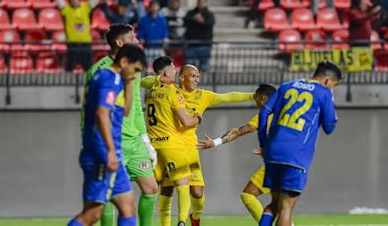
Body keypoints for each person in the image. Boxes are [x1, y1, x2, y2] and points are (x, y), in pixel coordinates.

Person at [141, 64, 255, 226]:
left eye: (198, 77)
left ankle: (196, 216)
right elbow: (144, 81)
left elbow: (228, 97)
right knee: (167, 190)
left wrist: (253, 96)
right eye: (193, 76)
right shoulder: (171, 89)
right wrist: (160, 78)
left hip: (191, 149)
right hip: (173, 147)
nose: (197, 80)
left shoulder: (203, 96)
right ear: (182, 77)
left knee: (197, 192)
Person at [82, 24, 159, 226]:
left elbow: (132, 109)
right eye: (133, 38)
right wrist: (97, 145)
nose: (137, 41)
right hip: (109, 143)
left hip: (133, 141)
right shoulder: (100, 71)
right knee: (99, 206)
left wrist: (145, 139)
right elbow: (97, 112)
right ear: (119, 42)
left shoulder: (130, 69)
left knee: (149, 189)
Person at [68, 44, 147, 226]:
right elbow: (101, 113)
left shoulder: (117, 81)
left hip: (111, 154)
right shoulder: (107, 78)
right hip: (101, 154)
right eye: (135, 70)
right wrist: (110, 150)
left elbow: (125, 111)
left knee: (128, 207)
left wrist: (129, 83)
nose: (135, 75)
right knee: (92, 214)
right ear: (124, 61)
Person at [257, 61, 342, 226]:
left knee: (274, 204)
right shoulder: (323, 93)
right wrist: (332, 109)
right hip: (296, 155)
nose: (332, 89)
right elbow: (329, 127)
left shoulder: (286, 86)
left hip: (273, 152)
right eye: (334, 85)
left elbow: (265, 111)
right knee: (286, 207)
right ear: (327, 80)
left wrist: (264, 142)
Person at [198, 84, 276, 223]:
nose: (256, 103)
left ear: (264, 98)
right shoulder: (287, 111)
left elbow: (238, 131)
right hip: (296, 162)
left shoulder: (265, 113)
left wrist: (215, 142)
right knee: (282, 204)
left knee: (248, 195)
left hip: (277, 163)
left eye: (257, 99)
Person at [145, 57, 202, 226]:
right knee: (183, 184)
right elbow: (185, 122)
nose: (175, 71)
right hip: (171, 146)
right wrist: (198, 118)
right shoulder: (173, 92)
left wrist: (157, 79)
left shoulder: (150, 89)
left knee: (163, 189)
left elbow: (142, 80)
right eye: (173, 69)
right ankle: (183, 222)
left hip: (153, 146)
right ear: (165, 72)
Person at [56, 0, 99, 72]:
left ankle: (88, 83)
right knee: (69, 70)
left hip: (86, 44)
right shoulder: (66, 9)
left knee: (88, 69)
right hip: (72, 45)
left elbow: (95, 0)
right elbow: (59, 1)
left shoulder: (85, 7)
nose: (74, 1)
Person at [183, 0, 215, 72]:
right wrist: (194, 19)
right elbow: (185, 22)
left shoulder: (209, 15)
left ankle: (205, 83)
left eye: (203, 2)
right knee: (190, 70)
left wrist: (202, 21)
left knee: (204, 68)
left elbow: (209, 24)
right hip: (191, 45)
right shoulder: (190, 13)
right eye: (199, 2)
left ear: (206, 3)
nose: (201, 4)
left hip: (204, 45)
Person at [137, 0, 170, 64]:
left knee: (162, 65)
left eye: (156, 6)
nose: (154, 8)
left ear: (159, 7)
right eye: (153, 6)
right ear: (150, 7)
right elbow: (140, 32)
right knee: (146, 65)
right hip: (147, 47)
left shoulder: (162, 20)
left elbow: (165, 32)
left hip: (159, 47)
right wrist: (141, 38)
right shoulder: (143, 19)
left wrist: (165, 38)